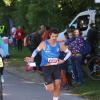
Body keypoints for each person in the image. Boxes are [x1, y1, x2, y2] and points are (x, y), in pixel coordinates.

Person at [25, 28, 71, 100]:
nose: (54, 38)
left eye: (56, 36)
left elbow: (69, 52)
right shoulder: (44, 43)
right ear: (49, 35)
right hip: (46, 67)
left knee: (58, 85)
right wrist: (32, 57)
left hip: (56, 66)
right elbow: (36, 51)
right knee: (51, 89)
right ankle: (46, 84)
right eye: (53, 36)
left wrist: (63, 60)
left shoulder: (59, 44)